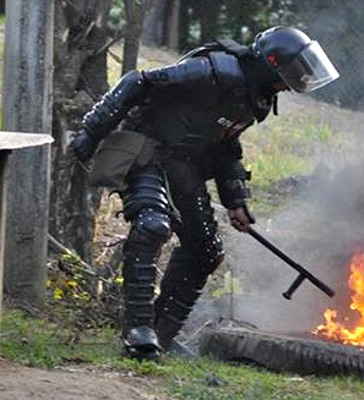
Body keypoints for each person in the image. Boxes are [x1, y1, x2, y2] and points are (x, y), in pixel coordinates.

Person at [70, 26, 339, 361]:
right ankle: (138, 332)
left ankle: (160, 335)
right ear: (272, 64)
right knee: (153, 225)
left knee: (207, 251)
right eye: (290, 74)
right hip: (144, 149)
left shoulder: (257, 99)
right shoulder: (215, 70)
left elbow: (226, 145)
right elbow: (138, 82)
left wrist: (235, 202)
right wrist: (90, 133)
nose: (292, 83)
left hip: (184, 166)